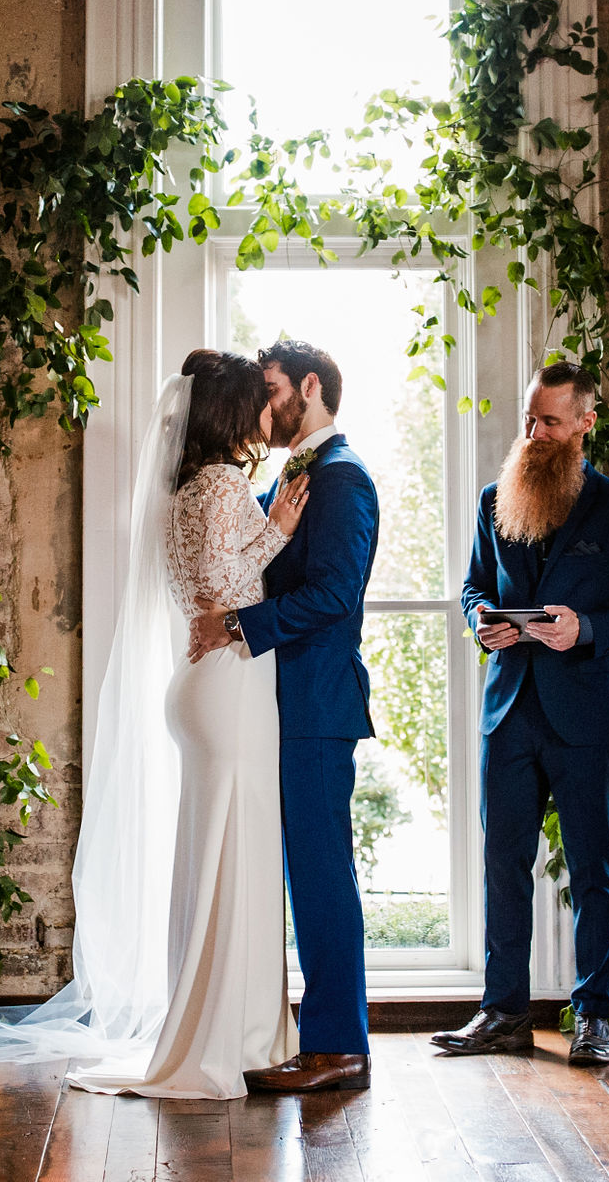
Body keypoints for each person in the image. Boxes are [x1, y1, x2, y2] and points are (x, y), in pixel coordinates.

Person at [0, 350, 309, 1100]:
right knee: (236, 857)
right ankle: (230, 1036)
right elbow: (225, 590)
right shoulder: (227, 486)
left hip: (198, 686)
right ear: (232, 412)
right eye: (259, 399)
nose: (270, 409)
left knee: (213, 857)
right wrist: (280, 530)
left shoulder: (180, 490)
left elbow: (199, 590)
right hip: (227, 688)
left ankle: (223, 1025)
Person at [431, 361, 609, 1065]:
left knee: (595, 869)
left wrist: (586, 629)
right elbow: (475, 586)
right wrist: (482, 622)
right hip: (508, 712)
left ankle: (593, 1015)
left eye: (550, 422)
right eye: (530, 418)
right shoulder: (491, 500)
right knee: (504, 865)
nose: (534, 433)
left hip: (584, 716)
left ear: (584, 425)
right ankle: (503, 1011)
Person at [189, 339, 379, 1093]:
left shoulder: (342, 479)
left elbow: (335, 596)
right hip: (272, 705)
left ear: (310, 387)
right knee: (293, 873)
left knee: (321, 875)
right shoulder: (289, 477)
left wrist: (237, 627)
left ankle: (339, 1045)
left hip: (317, 706)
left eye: (271, 390)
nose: (263, 408)